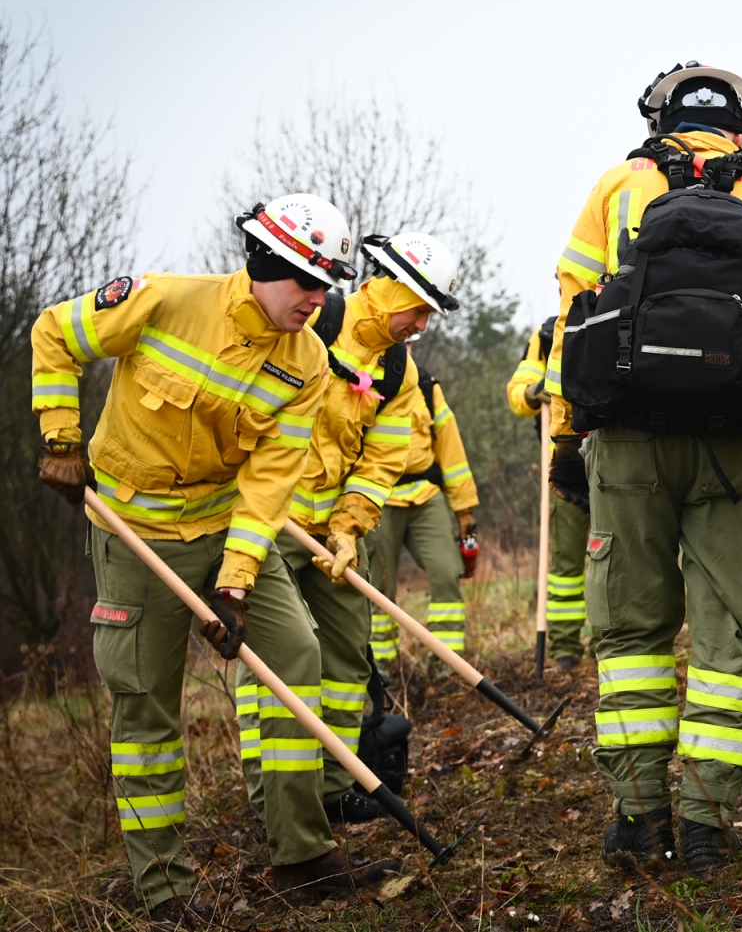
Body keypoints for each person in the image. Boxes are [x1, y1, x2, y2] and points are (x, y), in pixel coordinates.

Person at [31, 194, 397, 914]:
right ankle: (163, 888)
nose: (317, 299)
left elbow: (267, 487)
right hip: (133, 532)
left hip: (226, 527)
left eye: (326, 285)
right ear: (263, 265)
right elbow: (53, 334)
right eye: (304, 281)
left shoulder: (311, 365)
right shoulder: (162, 301)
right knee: (147, 709)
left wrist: (234, 584)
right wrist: (61, 438)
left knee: (297, 654)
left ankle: (302, 852)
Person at [543, 62, 742, 874]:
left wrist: (568, 440)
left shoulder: (616, 188)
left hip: (630, 445)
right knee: (728, 635)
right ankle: (709, 822)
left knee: (632, 635)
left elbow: (572, 316)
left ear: (658, 120)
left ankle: (638, 818)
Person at [235, 230, 459, 831]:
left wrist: (348, 529)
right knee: (275, 661)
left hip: (328, 532)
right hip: (267, 519)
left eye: (428, 315)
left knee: (346, 655)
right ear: (386, 287)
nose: (420, 325)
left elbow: (382, 459)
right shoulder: (309, 324)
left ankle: (334, 786)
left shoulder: (398, 369)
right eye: (417, 310)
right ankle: (269, 799)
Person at [365, 360, 479, 660]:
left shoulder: (426, 386)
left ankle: (448, 664)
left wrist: (464, 509)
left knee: (447, 571)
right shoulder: (358, 378)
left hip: (426, 494)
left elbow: (451, 451)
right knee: (379, 586)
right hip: (375, 497)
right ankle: (383, 669)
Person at [508, 314, 590, 668]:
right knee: (565, 565)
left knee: (620, 558)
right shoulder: (545, 335)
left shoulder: (626, 312)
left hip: (619, 458)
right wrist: (532, 392)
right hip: (567, 461)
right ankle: (565, 647)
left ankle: (612, 640)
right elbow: (518, 391)